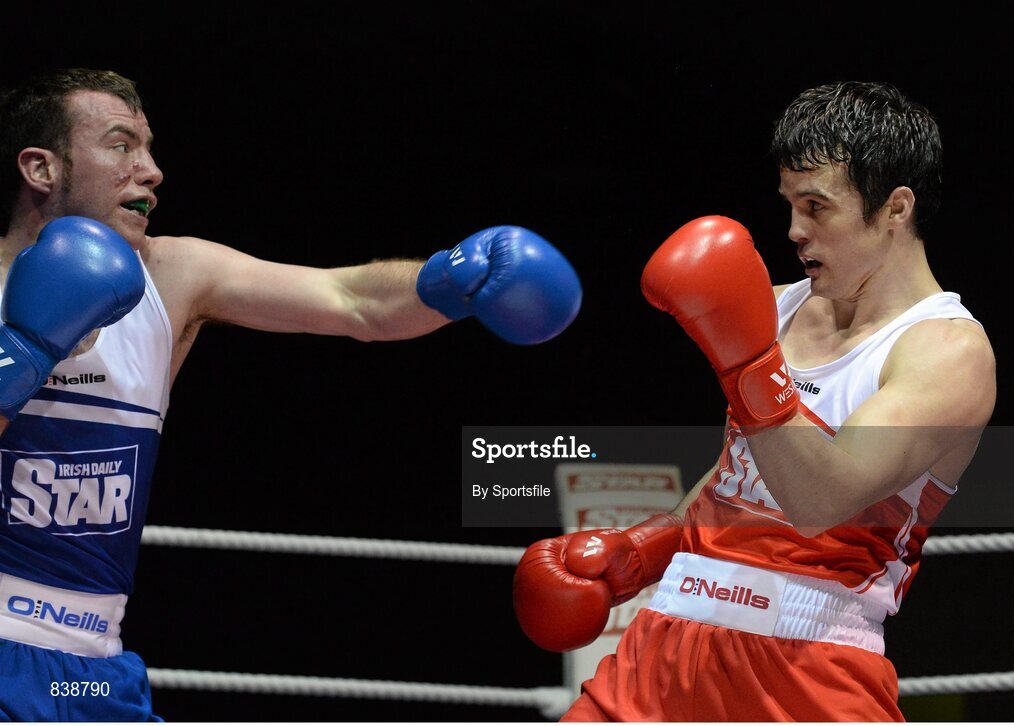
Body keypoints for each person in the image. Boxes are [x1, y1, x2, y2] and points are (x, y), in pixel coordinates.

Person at [0, 67, 582, 721]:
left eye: (149, 146)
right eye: (120, 145)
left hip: (90, 672)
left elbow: (353, 300)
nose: (151, 170)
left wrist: (450, 282)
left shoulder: (172, 276)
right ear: (41, 168)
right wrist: (20, 350)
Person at [513, 81, 996, 721]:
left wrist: (746, 361)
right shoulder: (775, 309)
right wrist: (641, 553)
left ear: (895, 208)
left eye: (817, 206)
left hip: (805, 668)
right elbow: (739, 475)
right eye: (790, 204)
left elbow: (820, 500)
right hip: (663, 646)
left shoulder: (947, 353)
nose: (794, 230)